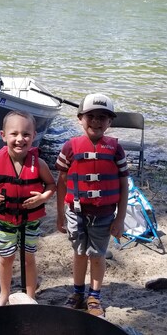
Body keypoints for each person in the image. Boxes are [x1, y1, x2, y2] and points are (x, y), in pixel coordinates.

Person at [56, 93, 129, 317]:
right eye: (91, 116)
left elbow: (124, 185)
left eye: (103, 117)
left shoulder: (116, 149)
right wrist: (60, 215)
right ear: (80, 118)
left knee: (97, 255)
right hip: (76, 213)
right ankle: (78, 293)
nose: (96, 121)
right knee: (79, 253)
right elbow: (61, 184)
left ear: (110, 122)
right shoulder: (70, 147)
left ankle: (94, 296)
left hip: (104, 213)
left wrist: (120, 219)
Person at [0, 110, 56, 307]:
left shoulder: (39, 164)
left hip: (30, 221)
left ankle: (31, 295)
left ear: (33, 137)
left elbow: (51, 185)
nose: (20, 139)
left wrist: (42, 198)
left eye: (26, 134)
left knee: (28, 257)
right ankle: (4, 295)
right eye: (14, 133)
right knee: (6, 258)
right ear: (3, 135)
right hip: (4, 220)